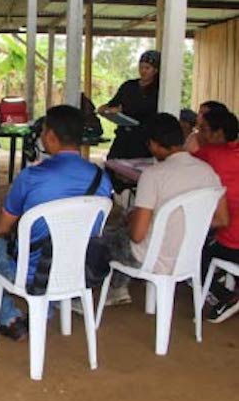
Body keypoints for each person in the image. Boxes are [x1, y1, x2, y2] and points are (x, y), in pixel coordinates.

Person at [0, 105, 113, 341]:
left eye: (43, 132)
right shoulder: (100, 177)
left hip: (32, 271)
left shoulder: (32, 176)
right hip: (77, 267)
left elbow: (2, 228)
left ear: (51, 136)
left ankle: (9, 317)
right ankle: (46, 308)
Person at [90, 113, 227, 306]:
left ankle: (87, 295)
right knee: (125, 226)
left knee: (100, 239)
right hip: (188, 255)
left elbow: (137, 236)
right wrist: (183, 225)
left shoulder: (153, 175)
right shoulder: (207, 171)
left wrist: (134, 221)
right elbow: (222, 220)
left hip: (150, 257)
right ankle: (117, 288)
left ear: (153, 144)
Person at [194, 110, 239, 323]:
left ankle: (226, 296)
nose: (198, 133)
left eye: (203, 129)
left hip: (232, 239)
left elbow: (182, 167)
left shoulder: (211, 153)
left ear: (218, 133)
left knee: (195, 252)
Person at [98, 50, 161, 161]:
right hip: (123, 135)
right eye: (141, 67)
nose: (143, 71)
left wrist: (123, 110)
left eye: (147, 68)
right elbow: (113, 103)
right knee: (112, 164)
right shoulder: (129, 86)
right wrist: (104, 109)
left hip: (143, 138)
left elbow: (149, 108)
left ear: (155, 70)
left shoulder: (159, 90)